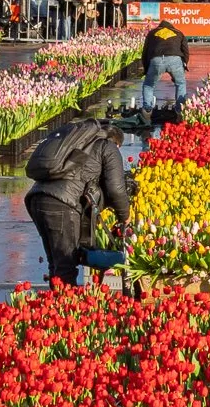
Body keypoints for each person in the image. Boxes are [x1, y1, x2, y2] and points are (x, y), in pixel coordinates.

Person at [22, 110, 131, 285]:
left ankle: (54, 304)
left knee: (55, 263)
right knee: (66, 264)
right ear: (117, 142)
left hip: (37, 198)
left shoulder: (78, 142)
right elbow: (116, 189)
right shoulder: (107, 147)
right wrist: (124, 216)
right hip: (62, 203)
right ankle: (64, 307)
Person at [140, 19, 189, 110]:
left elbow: (145, 53)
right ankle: (180, 109)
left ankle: (147, 109)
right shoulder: (179, 33)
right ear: (171, 26)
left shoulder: (152, 33)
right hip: (175, 59)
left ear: (160, 26)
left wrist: (147, 69)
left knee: (149, 85)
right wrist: (184, 65)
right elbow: (186, 51)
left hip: (157, 59)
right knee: (180, 83)